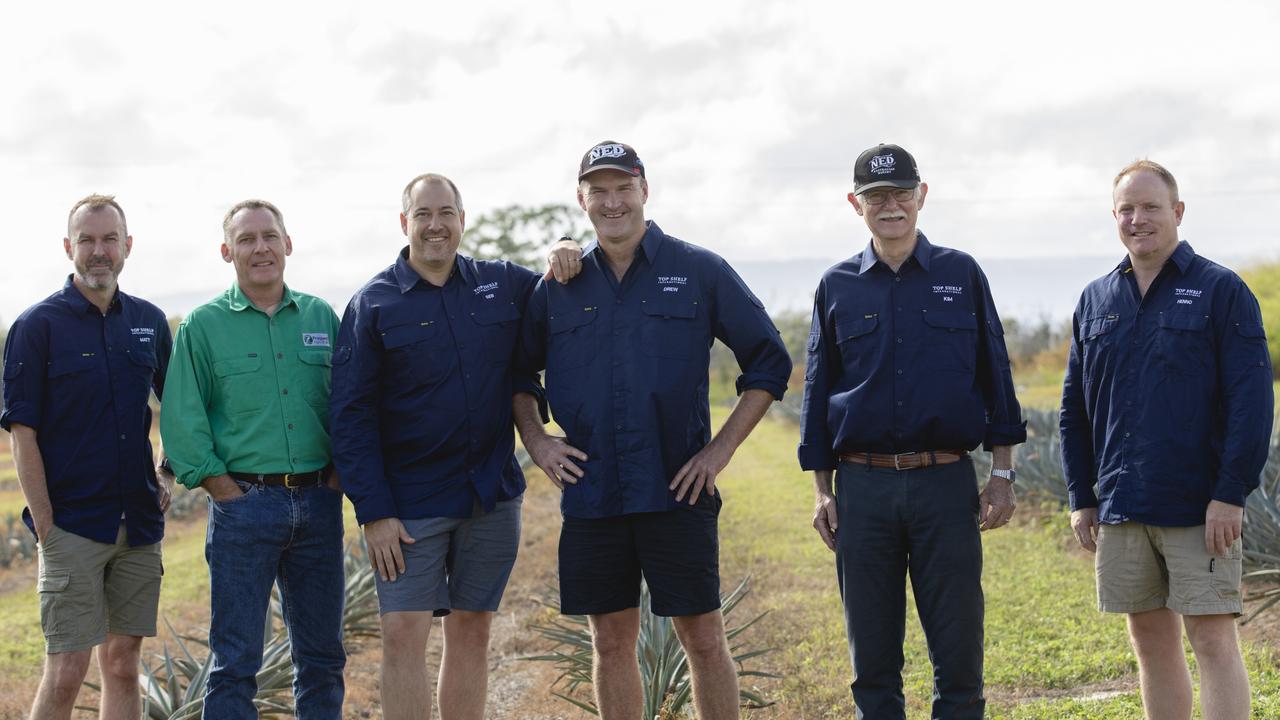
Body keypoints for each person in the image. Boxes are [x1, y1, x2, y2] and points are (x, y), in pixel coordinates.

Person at [513, 141, 792, 720]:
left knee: (705, 639)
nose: (613, 202)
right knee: (610, 643)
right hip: (594, 492)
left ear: (645, 188)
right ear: (582, 199)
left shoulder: (699, 270)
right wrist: (538, 441)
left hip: (678, 490)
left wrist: (719, 451)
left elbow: (768, 362)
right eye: (600, 191)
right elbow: (518, 373)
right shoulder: (558, 285)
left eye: (623, 187)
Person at [330, 173, 582, 720]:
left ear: (463, 221)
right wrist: (374, 513)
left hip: (490, 495)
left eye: (447, 212)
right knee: (402, 636)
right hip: (408, 505)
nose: (436, 224)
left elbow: (554, 280)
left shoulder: (501, 284)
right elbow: (348, 417)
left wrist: (565, 248)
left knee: (472, 630)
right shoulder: (372, 304)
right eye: (423, 214)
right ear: (405, 224)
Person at [798, 143, 1026, 719]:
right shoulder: (837, 285)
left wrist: (1001, 475)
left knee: (958, 654)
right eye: (877, 196)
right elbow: (818, 392)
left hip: (945, 486)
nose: (891, 205)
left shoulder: (960, 273)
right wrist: (823, 491)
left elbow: (995, 374)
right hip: (863, 490)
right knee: (871, 662)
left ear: (922, 196)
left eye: (902, 193)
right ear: (856, 204)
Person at [1059, 160, 1273, 720]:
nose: (1138, 219)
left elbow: (1253, 405)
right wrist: (1082, 496)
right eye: (1126, 209)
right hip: (1122, 505)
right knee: (1151, 644)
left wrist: (1230, 493)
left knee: (1211, 641)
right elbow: (1073, 412)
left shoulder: (1220, 290)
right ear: (1114, 218)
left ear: (1177, 212)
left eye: (1151, 207)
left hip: (1199, 507)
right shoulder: (1095, 300)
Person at [160, 199, 346, 719]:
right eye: (246, 240)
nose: (260, 247)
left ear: (288, 244)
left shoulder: (321, 318)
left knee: (323, 658)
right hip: (245, 507)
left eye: (269, 236)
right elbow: (181, 421)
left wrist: (335, 478)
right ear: (227, 251)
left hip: (319, 504)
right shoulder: (201, 327)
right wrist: (223, 489)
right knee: (235, 663)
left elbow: (349, 405)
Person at [1, 194, 172, 720]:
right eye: (88, 240)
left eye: (109, 240)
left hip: (139, 524)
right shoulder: (37, 326)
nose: (99, 251)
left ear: (127, 246)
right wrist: (48, 523)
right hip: (72, 526)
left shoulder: (148, 321)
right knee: (67, 669)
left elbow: (183, 406)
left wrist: (166, 470)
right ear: (69, 247)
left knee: (122, 663)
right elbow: (21, 432)